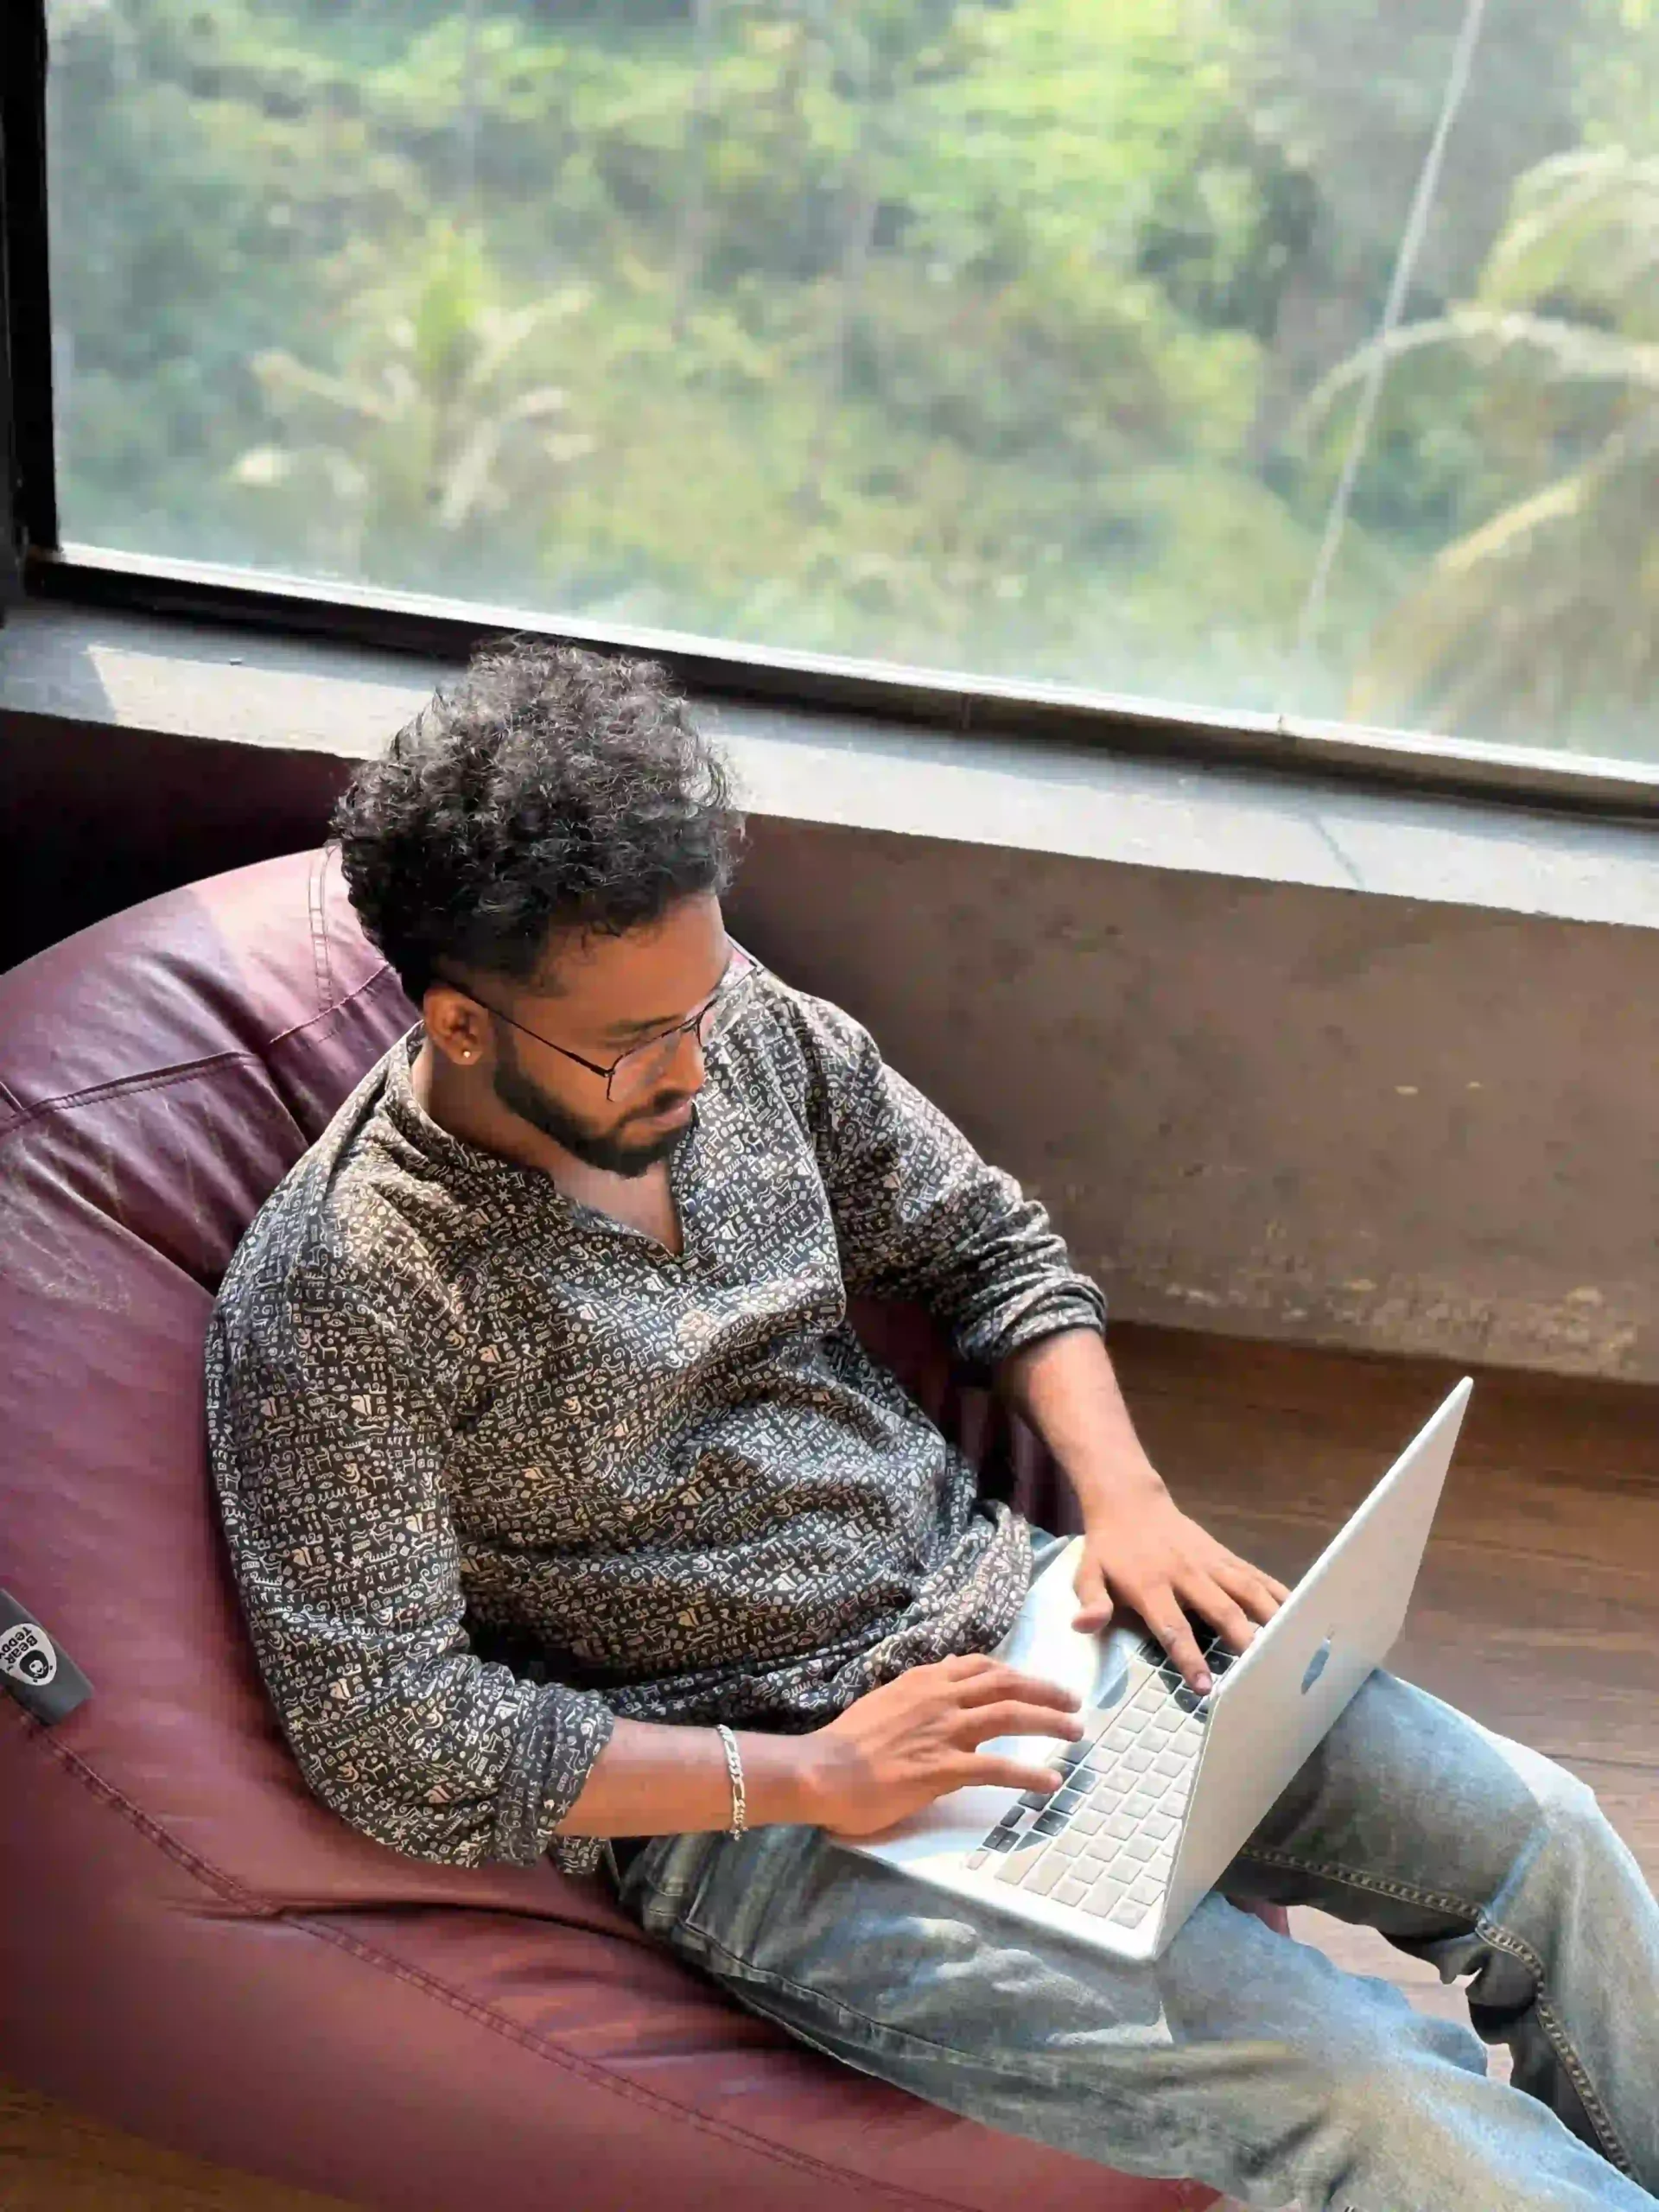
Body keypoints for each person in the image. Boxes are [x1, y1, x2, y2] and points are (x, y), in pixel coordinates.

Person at [207, 638, 1659, 2212]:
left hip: (1031, 1614)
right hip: (775, 1818)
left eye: (703, 999)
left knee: (1552, 1840)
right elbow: (390, 1737)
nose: (698, 1062)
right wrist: (809, 1779)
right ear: (461, 1022)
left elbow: (988, 1247)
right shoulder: (346, 1301)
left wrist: (1127, 1502)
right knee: (1371, 2093)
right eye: (634, 1043)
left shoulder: (732, 1025)